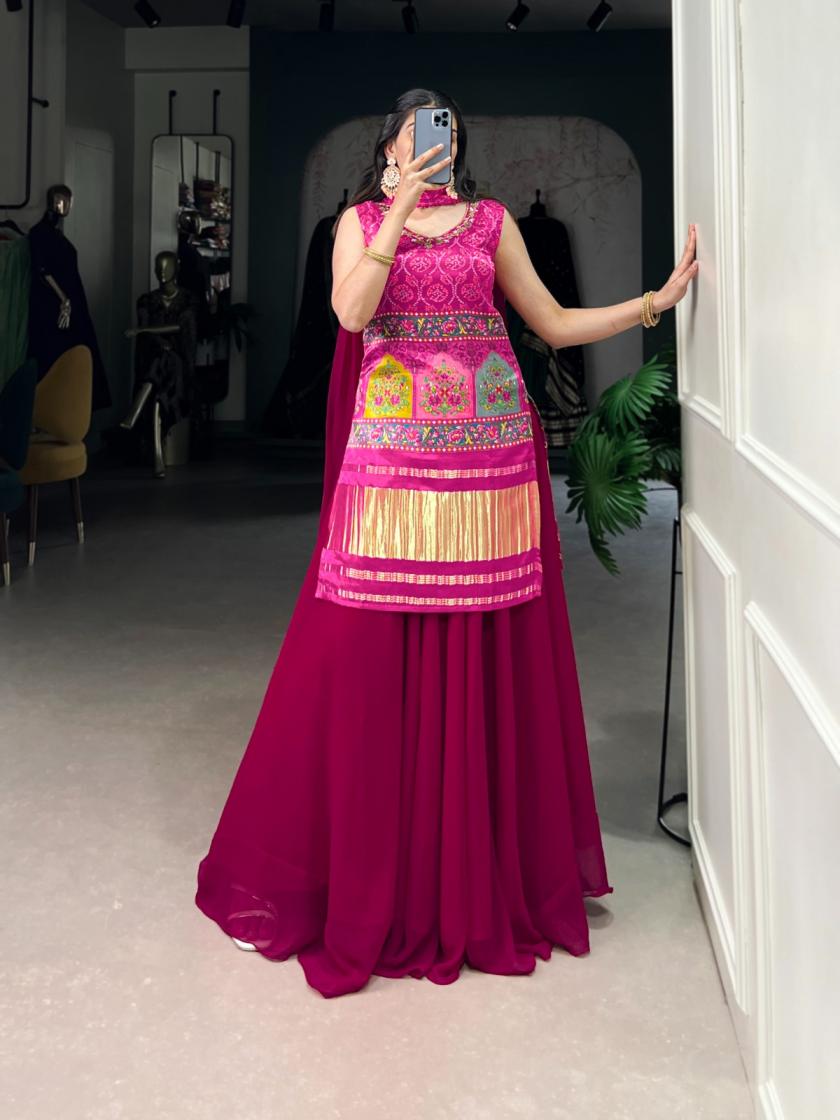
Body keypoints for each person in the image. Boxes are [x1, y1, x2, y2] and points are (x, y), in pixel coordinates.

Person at [194, 88, 698, 999]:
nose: (441, 143)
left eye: (451, 132)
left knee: (484, 654)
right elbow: (352, 315)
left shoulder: (493, 221)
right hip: (391, 462)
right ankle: (372, 873)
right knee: (360, 655)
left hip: (491, 464)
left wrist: (651, 304)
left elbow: (551, 323)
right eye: (422, 131)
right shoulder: (356, 224)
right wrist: (393, 212)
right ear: (390, 146)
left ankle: (470, 874)